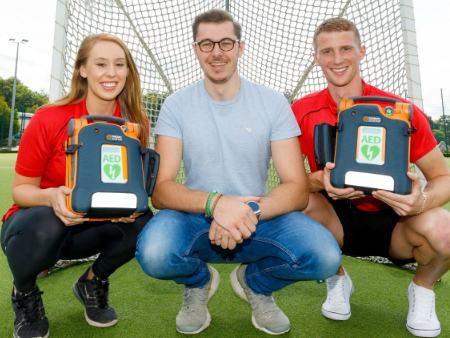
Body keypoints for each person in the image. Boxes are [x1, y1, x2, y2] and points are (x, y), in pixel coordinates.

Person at [135, 9, 341, 336]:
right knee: (154, 252)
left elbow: (297, 188)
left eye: (226, 43)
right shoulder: (176, 104)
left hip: (259, 215)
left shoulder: (273, 103)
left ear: (240, 48)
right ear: (195, 49)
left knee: (326, 256)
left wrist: (245, 211)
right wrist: (217, 205)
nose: (217, 52)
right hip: (195, 216)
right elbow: (161, 190)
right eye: (207, 44)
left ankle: (255, 282)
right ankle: (198, 281)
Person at [291, 18, 450, 338]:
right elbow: (291, 183)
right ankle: (336, 277)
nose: (337, 59)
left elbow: (443, 177)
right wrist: (320, 181)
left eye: (346, 49)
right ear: (316, 57)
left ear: (362, 51)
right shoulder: (301, 111)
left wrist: (420, 201)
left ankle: (422, 289)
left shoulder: (400, 109)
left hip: (395, 221)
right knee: (292, 205)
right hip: (333, 221)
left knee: (445, 230)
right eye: (328, 51)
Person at [1, 33, 152, 338]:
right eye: (101, 63)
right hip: (37, 226)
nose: (111, 72)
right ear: (83, 69)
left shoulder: (135, 125)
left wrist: (128, 208)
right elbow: (21, 190)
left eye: (119, 64)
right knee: (48, 223)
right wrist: (51, 197)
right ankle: (25, 293)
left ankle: (92, 281)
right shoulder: (48, 118)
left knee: (145, 222)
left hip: (93, 227)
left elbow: (130, 186)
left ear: (127, 71)